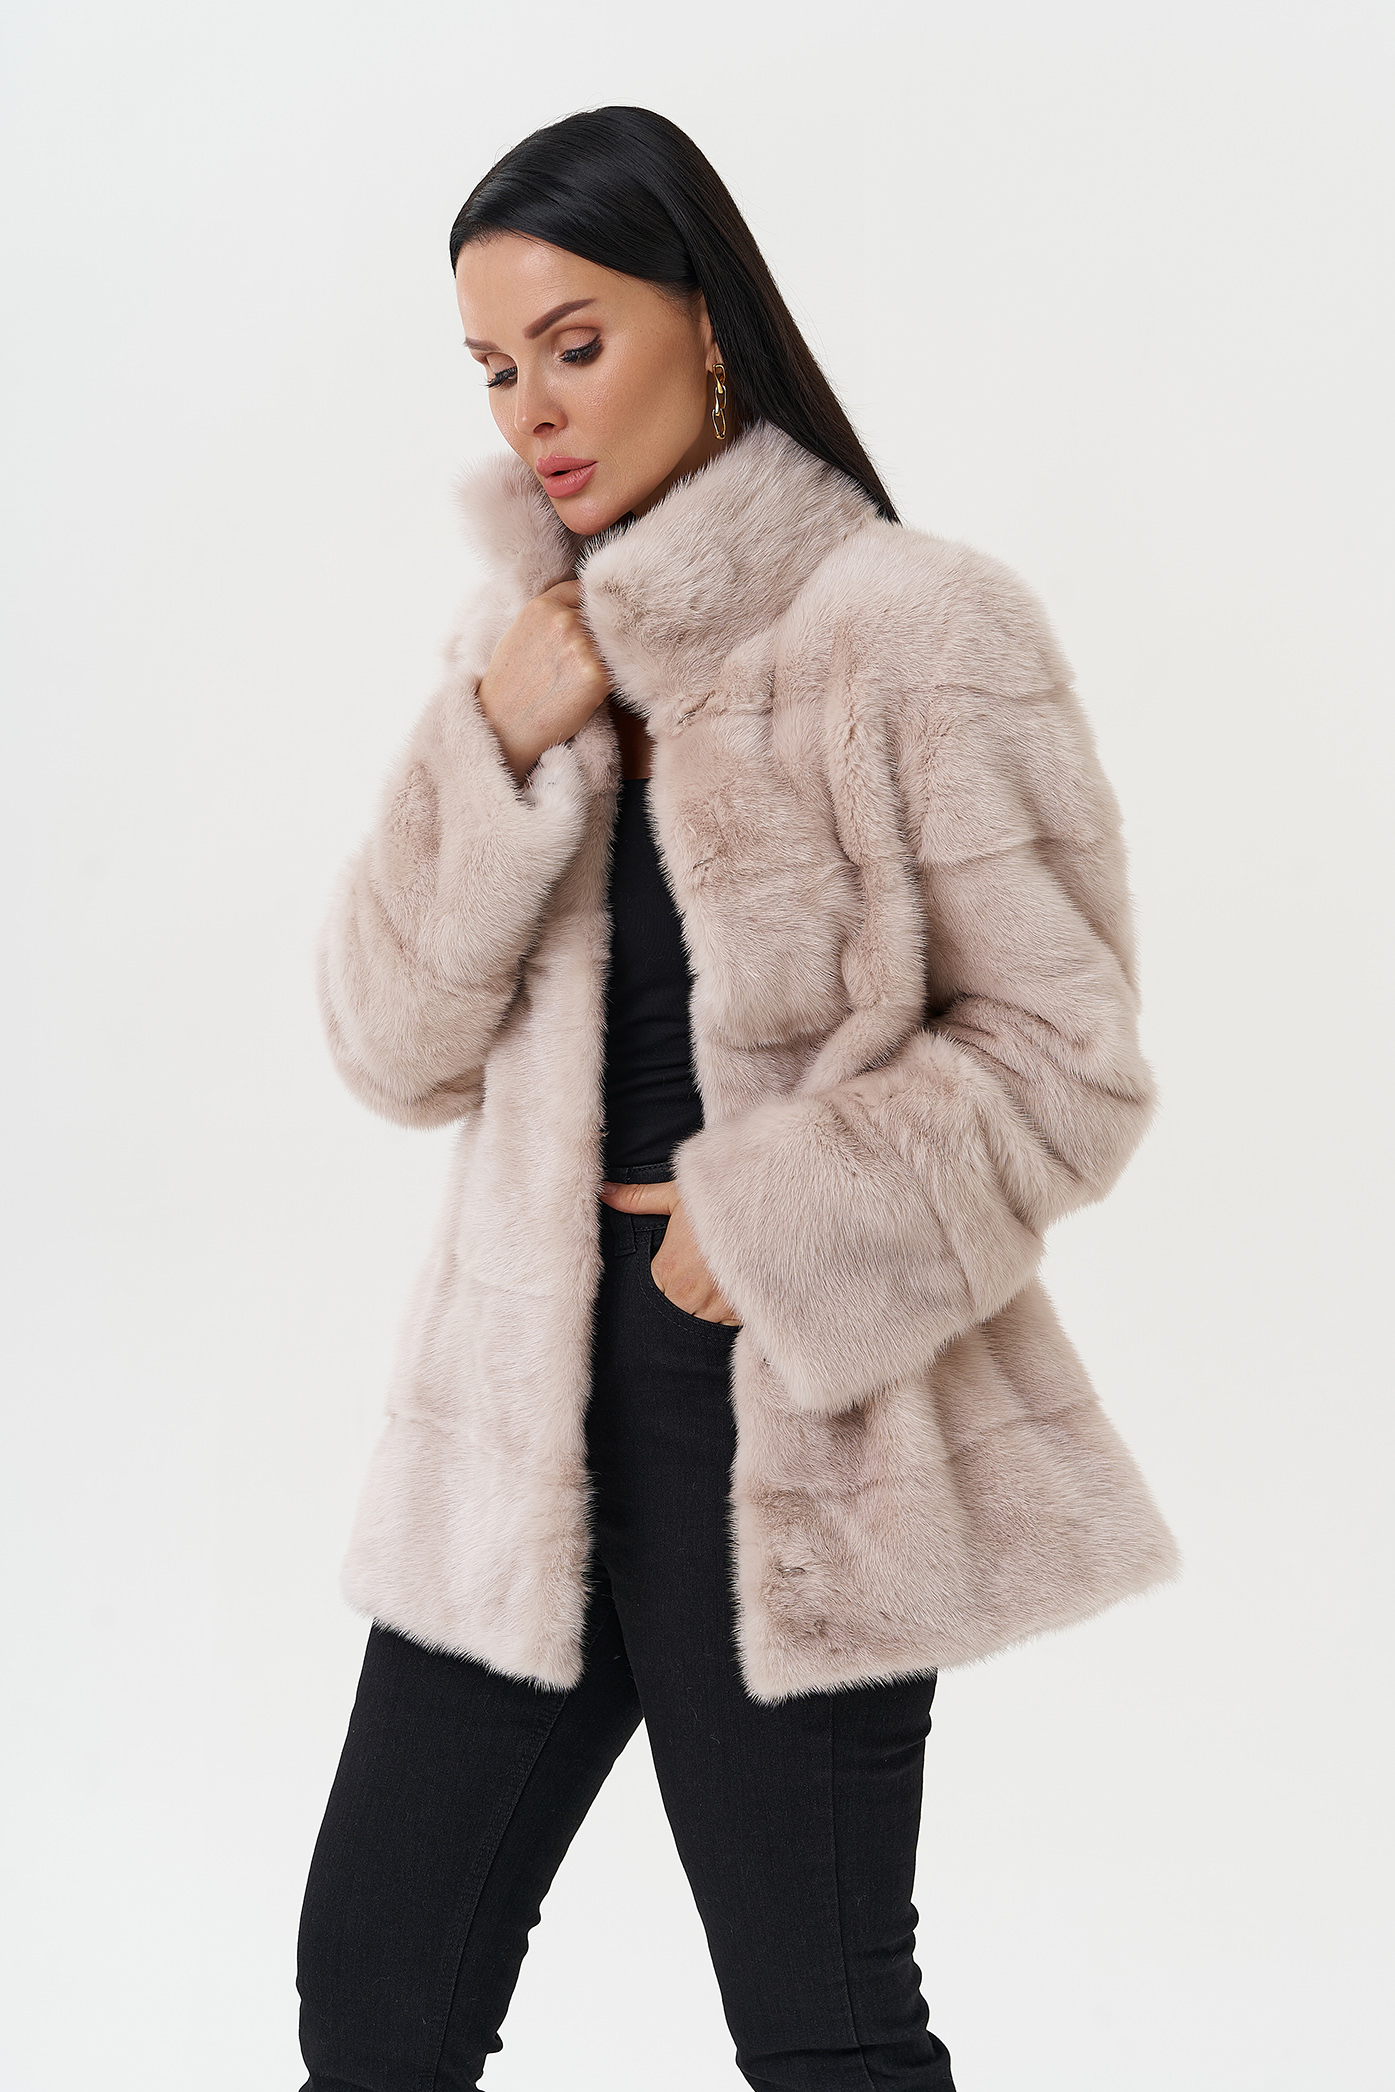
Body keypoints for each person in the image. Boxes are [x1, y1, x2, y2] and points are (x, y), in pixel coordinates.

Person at [297, 105, 1177, 2092]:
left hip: (776, 1394)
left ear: (705, 322)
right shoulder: (521, 654)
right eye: (492, 366)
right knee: (372, 1988)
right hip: (518, 1398)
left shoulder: (909, 625)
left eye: (573, 342)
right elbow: (389, 1045)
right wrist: (491, 748)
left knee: (821, 2029)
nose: (531, 408)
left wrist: (762, 1219)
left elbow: (1064, 1055)